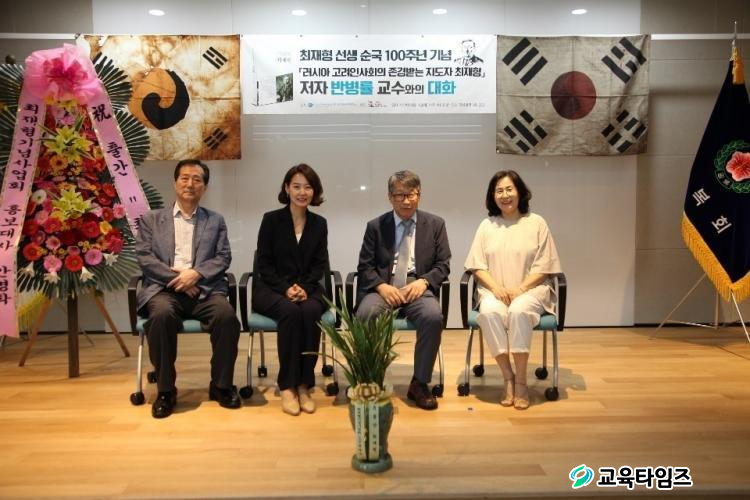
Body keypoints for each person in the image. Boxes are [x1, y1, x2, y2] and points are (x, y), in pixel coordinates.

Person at [136, 159, 242, 419]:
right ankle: (165, 391)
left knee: (227, 317)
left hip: (204, 290)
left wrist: (196, 275)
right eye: (184, 178)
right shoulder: (151, 219)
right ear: (175, 183)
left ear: (204, 187)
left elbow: (223, 257)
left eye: (197, 179)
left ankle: (221, 386)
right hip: (164, 290)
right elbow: (145, 258)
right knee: (161, 316)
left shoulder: (215, 220)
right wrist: (179, 280)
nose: (190, 184)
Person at [464, 170, 561, 410]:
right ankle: (508, 377)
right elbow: (477, 266)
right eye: (499, 191)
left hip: (532, 290)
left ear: (520, 192)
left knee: (518, 311)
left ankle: (521, 382)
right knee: (490, 313)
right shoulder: (487, 225)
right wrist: (496, 288)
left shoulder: (537, 223)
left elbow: (546, 266)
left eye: (509, 189)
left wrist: (520, 289)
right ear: (492, 196)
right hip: (494, 290)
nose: (505, 195)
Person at [355, 170, 451, 410]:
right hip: (384, 287)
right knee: (366, 314)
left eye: (411, 194)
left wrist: (424, 282)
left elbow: (443, 264)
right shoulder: (376, 226)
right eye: (400, 195)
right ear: (390, 197)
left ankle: (419, 383)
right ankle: (372, 379)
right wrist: (381, 286)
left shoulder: (435, 224)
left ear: (419, 195)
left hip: (417, 287)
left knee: (432, 317)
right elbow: (364, 267)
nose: (406, 200)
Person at [252, 164, 328, 416]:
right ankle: (286, 385)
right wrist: (286, 289)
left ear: (314, 191)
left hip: (308, 287)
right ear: (286, 188)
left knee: (310, 311)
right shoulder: (271, 220)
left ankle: (304, 384)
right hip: (272, 287)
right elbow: (264, 264)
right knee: (290, 312)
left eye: (308, 187)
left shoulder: (319, 224)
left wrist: (304, 288)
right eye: (296, 186)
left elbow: (319, 265)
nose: (302, 192)